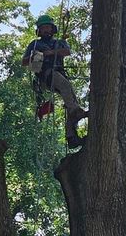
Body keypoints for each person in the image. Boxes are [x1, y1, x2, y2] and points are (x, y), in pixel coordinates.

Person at [22, 14, 87, 147]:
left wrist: (51, 53)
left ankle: (71, 136)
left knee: (71, 98)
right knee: (66, 90)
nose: (46, 30)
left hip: (60, 74)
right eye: (43, 28)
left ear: (53, 29)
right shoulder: (35, 44)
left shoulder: (59, 43)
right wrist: (38, 55)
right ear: (39, 31)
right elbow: (24, 62)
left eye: (48, 27)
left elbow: (67, 51)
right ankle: (75, 111)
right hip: (45, 75)